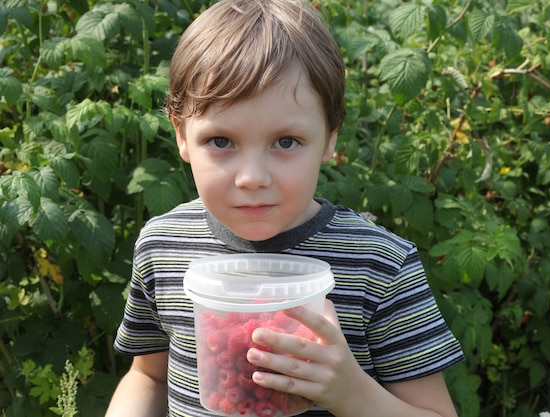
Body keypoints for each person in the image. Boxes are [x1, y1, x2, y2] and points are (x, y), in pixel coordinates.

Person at [105, 0, 465, 416]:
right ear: (181, 135)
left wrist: (351, 392)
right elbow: (148, 375)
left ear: (330, 137)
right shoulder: (164, 246)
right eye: (221, 141)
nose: (252, 177)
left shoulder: (379, 266)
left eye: (286, 142)